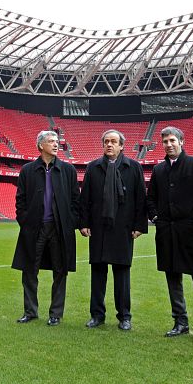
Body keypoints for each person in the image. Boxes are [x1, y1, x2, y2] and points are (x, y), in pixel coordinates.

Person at [146, 126, 193, 344]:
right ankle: (180, 322)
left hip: (191, 232)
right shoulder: (158, 170)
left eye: (172, 141)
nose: (168, 144)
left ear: (181, 141)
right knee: (172, 277)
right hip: (167, 232)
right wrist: (156, 218)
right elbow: (150, 199)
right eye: (165, 141)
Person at [79, 129, 147, 331]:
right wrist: (83, 223)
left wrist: (139, 226)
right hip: (99, 228)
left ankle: (124, 316)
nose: (109, 145)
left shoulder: (133, 167)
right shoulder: (93, 167)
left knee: (122, 275)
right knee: (98, 274)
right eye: (106, 141)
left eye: (113, 142)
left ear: (121, 145)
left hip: (123, 229)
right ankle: (97, 315)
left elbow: (140, 200)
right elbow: (85, 198)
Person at [12, 130, 80, 326]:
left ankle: (55, 314)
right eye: (51, 141)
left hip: (59, 229)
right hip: (34, 228)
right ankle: (30, 311)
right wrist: (25, 221)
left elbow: (76, 200)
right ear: (41, 145)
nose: (56, 144)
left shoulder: (68, 171)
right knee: (29, 270)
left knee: (60, 270)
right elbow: (20, 201)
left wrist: (71, 223)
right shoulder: (28, 170)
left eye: (57, 141)